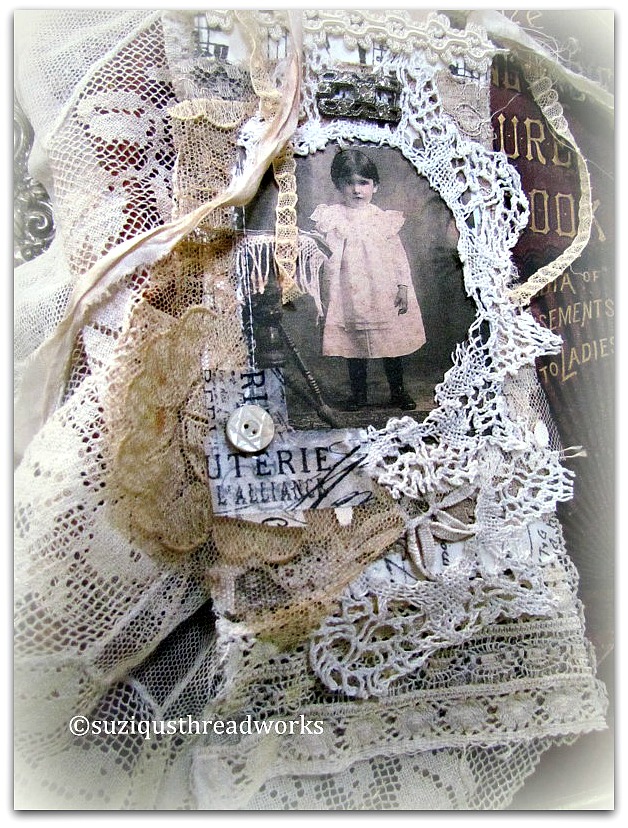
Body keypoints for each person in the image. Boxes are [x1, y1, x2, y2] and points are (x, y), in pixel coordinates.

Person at [311, 148, 426, 411]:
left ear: (375, 186)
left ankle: (397, 391)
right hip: (349, 290)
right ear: (338, 185)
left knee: (391, 341)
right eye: (349, 183)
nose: (356, 190)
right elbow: (324, 253)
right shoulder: (333, 217)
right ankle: (358, 395)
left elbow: (398, 256)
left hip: (382, 289)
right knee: (354, 343)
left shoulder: (381, 219)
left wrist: (402, 286)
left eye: (363, 182)